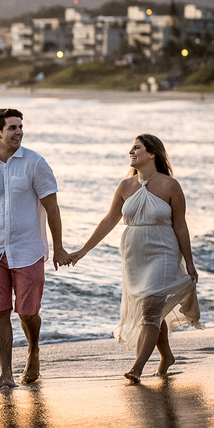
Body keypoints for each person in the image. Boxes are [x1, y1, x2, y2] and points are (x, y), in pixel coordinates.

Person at [70, 134, 201, 383]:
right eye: (132, 147)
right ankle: (167, 356)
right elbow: (109, 220)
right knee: (149, 309)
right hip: (133, 255)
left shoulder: (170, 186)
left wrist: (189, 262)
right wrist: (83, 250)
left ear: (152, 153)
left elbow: (181, 226)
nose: (131, 151)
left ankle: (137, 368)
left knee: (151, 305)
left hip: (163, 251)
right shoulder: (125, 186)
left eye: (137, 147)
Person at [0, 108, 69, 390]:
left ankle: (33, 349)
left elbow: (52, 208)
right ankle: (6, 374)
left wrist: (58, 247)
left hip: (28, 249)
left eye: (20, 126)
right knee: (0, 312)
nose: (18, 132)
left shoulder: (35, 163)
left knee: (27, 311)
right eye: (12, 128)